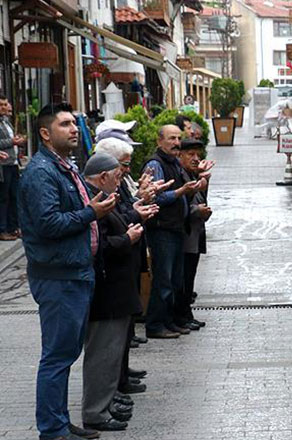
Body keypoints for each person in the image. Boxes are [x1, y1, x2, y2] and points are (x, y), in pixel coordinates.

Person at [19, 102, 117, 440]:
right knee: (57, 356)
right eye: (65, 124)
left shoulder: (64, 166)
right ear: (46, 133)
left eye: (74, 123)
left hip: (75, 272)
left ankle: (59, 422)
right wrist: (92, 213)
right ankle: (52, 429)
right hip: (58, 276)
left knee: (65, 354)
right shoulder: (40, 172)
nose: (74, 129)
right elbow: (48, 224)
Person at [80, 153, 147, 432]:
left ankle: (105, 403)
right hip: (106, 290)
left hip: (117, 287)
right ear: (103, 176)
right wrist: (127, 238)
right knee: (102, 354)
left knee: (112, 352)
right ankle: (95, 410)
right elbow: (100, 245)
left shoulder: (106, 197)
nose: (120, 183)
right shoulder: (94, 201)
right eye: (117, 177)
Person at [143, 125, 203, 339]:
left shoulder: (173, 163)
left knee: (175, 280)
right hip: (162, 230)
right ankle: (155, 324)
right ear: (159, 141)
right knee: (163, 279)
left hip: (176, 228)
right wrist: (180, 192)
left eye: (178, 138)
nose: (176, 142)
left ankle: (169, 321)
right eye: (171, 138)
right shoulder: (155, 164)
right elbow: (154, 197)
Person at [174, 139, 213, 329]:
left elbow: (199, 198)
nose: (196, 159)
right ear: (179, 155)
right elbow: (178, 206)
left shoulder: (192, 174)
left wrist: (204, 182)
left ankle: (186, 314)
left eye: (198, 155)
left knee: (189, 275)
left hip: (194, 235)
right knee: (183, 277)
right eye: (190, 154)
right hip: (185, 235)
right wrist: (198, 211)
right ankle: (181, 315)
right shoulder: (179, 175)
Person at [0, 95, 25, 241]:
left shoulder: (6, 122)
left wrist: (19, 140)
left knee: (14, 196)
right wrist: (12, 141)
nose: (5, 107)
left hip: (13, 162)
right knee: (4, 198)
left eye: (5, 104)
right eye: (1, 105)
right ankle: (3, 229)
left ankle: (13, 227)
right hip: (3, 165)